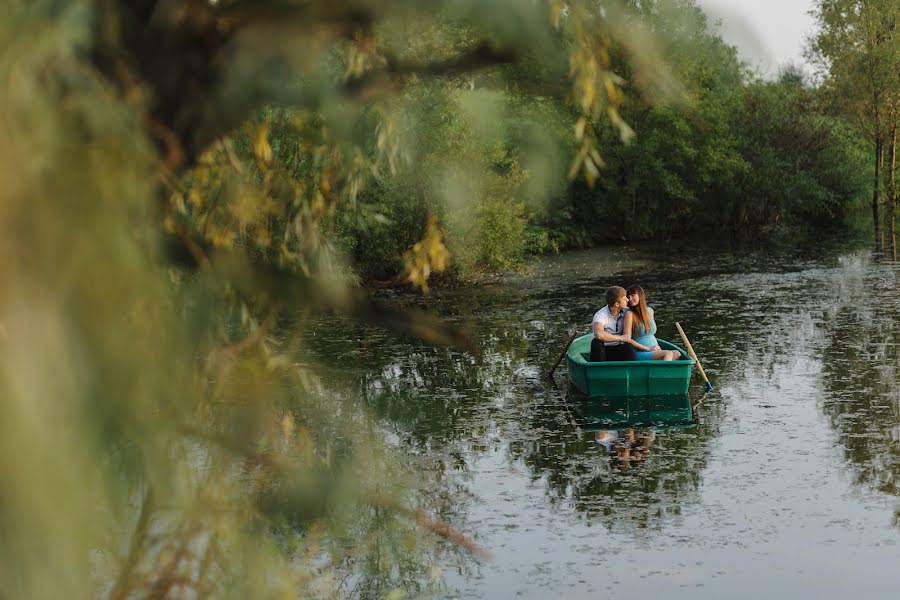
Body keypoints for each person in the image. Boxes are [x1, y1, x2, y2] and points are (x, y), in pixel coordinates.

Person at [590, 286, 653, 361]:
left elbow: (640, 310)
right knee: (596, 343)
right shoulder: (600, 315)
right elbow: (599, 334)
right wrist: (621, 338)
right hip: (604, 349)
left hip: (618, 347)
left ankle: (630, 370)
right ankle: (600, 370)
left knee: (628, 348)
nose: (627, 299)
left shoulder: (627, 311)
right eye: (624, 298)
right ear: (617, 304)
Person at [623, 284, 680, 361]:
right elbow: (627, 339)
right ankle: (663, 373)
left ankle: (659, 371)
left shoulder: (650, 311)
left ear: (640, 295)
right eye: (628, 297)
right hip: (641, 352)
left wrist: (654, 348)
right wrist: (648, 348)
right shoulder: (629, 314)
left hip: (655, 350)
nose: (630, 299)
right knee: (668, 353)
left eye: (633, 295)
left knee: (677, 353)